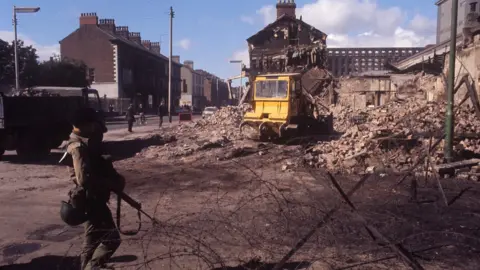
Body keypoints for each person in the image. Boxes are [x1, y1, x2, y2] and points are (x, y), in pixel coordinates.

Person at [65, 108, 125, 270]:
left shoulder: (84, 141)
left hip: (93, 198)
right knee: (112, 239)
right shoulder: (78, 147)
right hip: (91, 199)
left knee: (91, 240)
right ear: (84, 124)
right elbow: (84, 179)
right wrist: (109, 183)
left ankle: (87, 266)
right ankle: (92, 267)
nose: (94, 128)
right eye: (91, 124)